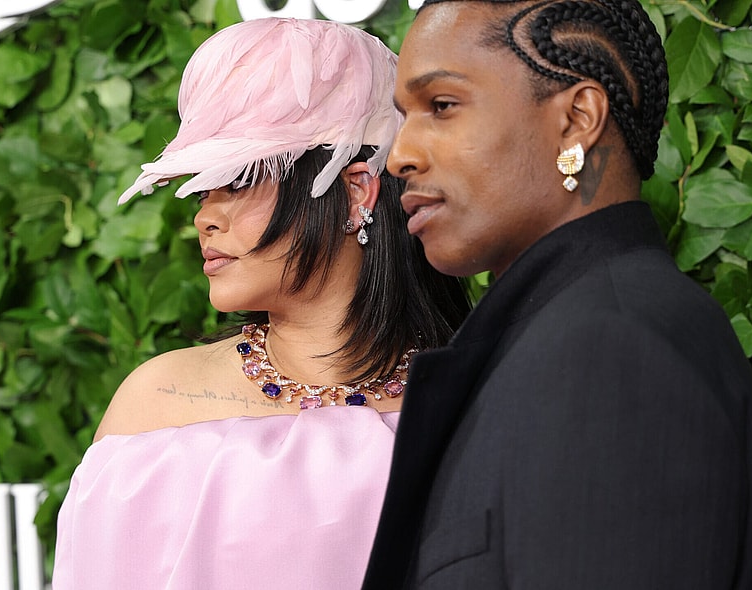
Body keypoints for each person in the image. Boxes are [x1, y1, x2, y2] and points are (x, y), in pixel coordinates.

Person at [361, 1, 752, 588]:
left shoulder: (611, 349)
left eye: (441, 106)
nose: (399, 156)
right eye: (404, 117)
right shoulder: (573, 332)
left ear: (577, 120)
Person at [53, 17, 471, 589]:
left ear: (355, 190)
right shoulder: (156, 406)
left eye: (240, 181)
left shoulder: (480, 391)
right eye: (203, 191)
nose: (205, 217)